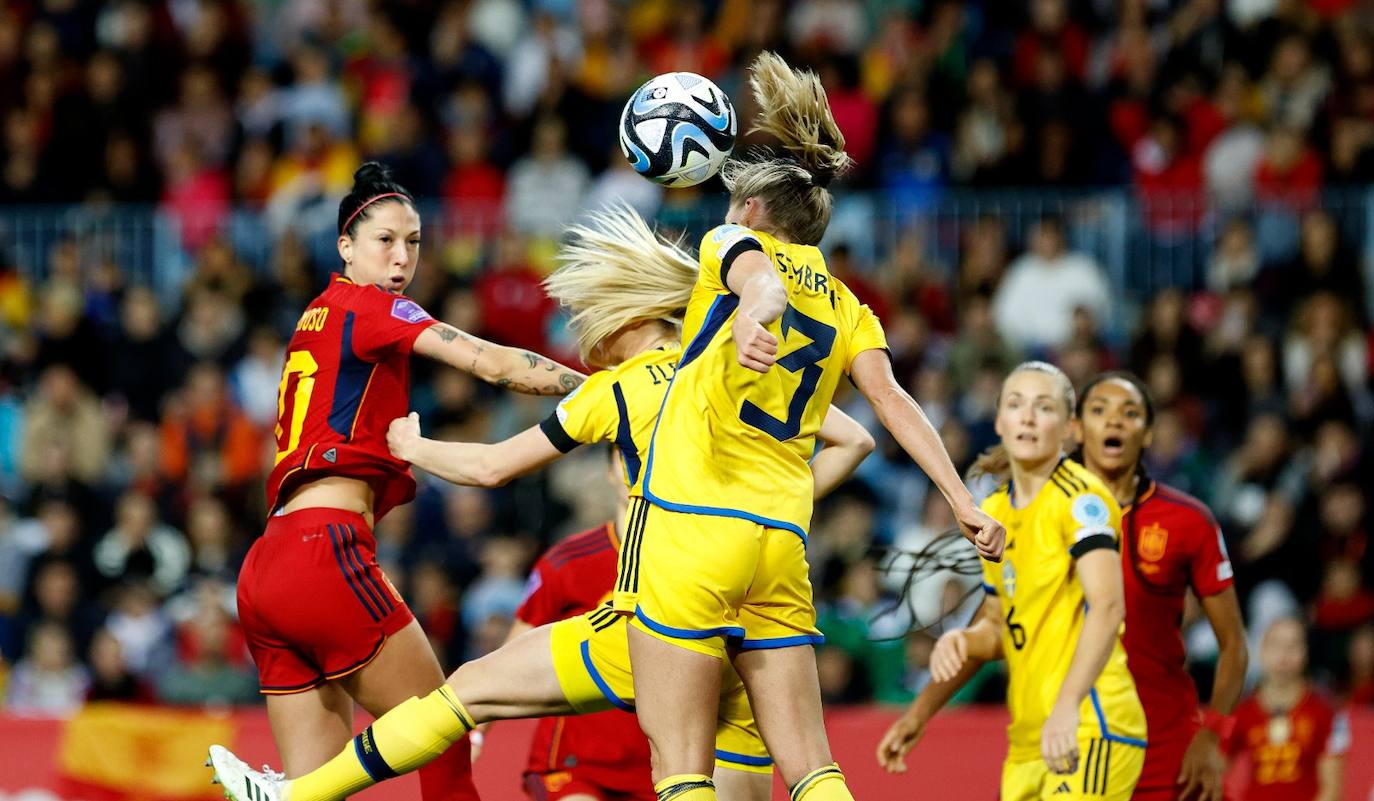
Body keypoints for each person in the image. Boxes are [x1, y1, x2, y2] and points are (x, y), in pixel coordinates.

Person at [208, 205, 873, 801]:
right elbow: (855, 436)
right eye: (389, 240)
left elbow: (494, 458)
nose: (585, 343)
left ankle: (294, 795)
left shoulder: (620, 384)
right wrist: (766, 506)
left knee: (463, 703)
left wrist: (415, 444)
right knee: (809, 770)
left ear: (623, 316)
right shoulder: (718, 366)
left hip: (660, 601)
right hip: (761, 592)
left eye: (588, 324)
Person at [620, 52, 1001, 801]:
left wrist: (754, 318)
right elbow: (893, 403)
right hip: (780, 540)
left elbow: (757, 284)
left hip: (690, 524)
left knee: (681, 765)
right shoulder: (849, 305)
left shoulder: (732, 245)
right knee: (812, 767)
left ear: (754, 212)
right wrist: (961, 499)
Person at [229, 162, 584, 800]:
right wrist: (610, 394)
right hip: (323, 555)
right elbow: (497, 365)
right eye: (384, 240)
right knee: (441, 734)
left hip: (267, 567)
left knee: (312, 790)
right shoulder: (373, 307)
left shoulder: (316, 314)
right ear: (345, 247)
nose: (401, 257)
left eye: (413, 241)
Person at [877, 361, 1146, 801]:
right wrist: (933, 691)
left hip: (1088, 724)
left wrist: (1066, 708)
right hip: (1028, 742)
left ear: (1070, 429)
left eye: (1043, 407)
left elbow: (1109, 606)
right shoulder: (995, 514)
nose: (1027, 416)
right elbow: (999, 628)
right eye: (1016, 405)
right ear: (999, 421)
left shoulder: (1082, 500)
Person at [1074, 372, 1247, 801]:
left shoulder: (1189, 520)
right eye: (1099, 411)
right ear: (1075, 429)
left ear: (1148, 433)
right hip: (1066, 744)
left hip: (1165, 746)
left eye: (1129, 413)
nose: (1114, 422)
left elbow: (1234, 646)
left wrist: (1212, 737)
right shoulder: (1038, 514)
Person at [1228, 617, 1348, 801]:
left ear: (1305, 652)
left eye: (1293, 645)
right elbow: (1212, 771)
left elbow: (1331, 788)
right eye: (1276, 644)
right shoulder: (1241, 711)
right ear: (1261, 651)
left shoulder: (1326, 712)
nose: (1284, 654)